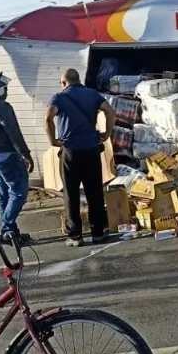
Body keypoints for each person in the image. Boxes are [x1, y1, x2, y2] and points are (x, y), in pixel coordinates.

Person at [45, 68, 116, 247]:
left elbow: (48, 118)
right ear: (78, 80)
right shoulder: (92, 94)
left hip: (70, 151)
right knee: (94, 192)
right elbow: (110, 111)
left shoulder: (58, 97)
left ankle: (75, 236)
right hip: (92, 149)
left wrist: (53, 140)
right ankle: (98, 232)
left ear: (63, 83)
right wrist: (107, 133)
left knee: (71, 192)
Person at [0, 72, 34, 243]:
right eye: (3, 86)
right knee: (19, 192)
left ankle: (11, 234)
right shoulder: (0, 106)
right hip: (6, 157)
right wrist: (26, 154)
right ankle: (6, 228)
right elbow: (13, 132)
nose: (6, 89)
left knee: (3, 196)